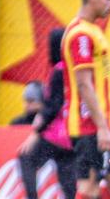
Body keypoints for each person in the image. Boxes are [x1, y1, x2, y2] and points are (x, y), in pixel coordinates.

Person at [61, 0, 110, 199]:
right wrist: (102, 127)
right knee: (90, 186)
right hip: (90, 124)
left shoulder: (90, 29)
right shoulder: (81, 34)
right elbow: (84, 84)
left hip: (99, 122)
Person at [17, 28, 76, 199]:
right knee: (67, 179)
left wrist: (37, 129)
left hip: (56, 135)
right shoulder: (74, 68)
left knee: (26, 157)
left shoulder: (59, 70)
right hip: (73, 135)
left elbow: (54, 105)